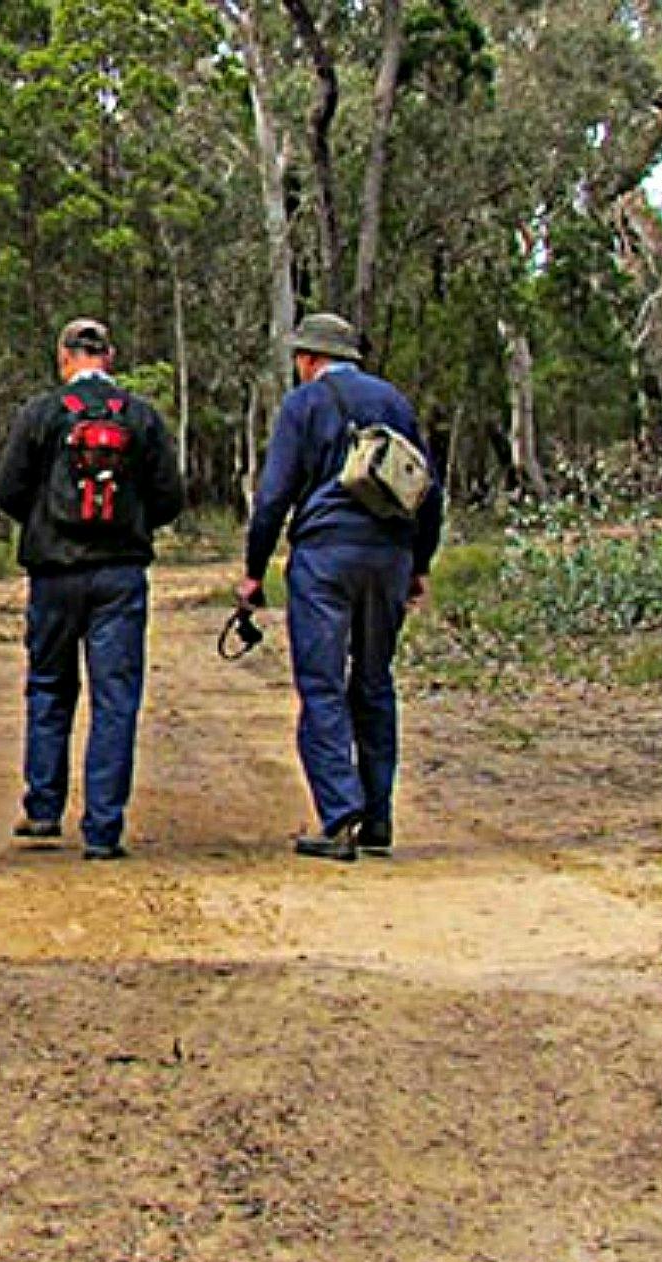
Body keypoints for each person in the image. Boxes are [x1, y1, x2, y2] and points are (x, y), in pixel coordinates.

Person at [237, 311, 446, 861]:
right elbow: (428, 487)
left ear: (309, 360)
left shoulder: (303, 405)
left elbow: (275, 495)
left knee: (322, 683)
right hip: (389, 557)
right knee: (374, 681)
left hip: (324, 559)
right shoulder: (395, 403)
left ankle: (339, 813)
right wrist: (419, 561)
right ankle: (378, 816)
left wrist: (255, 569)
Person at [0, 318, 184, 859]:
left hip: (52, 574)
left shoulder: (42, 414)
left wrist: (47, 520)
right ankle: (103, 828)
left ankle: (44, 808)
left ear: (64, 357)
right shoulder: (140, 417)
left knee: (49, 686)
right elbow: (170, 497)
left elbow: (6, 490)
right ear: (109, 357)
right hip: (120, 576)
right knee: (115, 698)